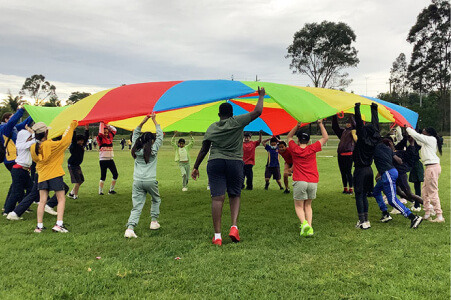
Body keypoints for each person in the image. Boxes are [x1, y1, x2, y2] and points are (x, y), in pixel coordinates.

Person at [191, 87, 265, 246]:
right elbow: (258, 111)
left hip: (215, 162)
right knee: (234, 194)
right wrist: (261, 96)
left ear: (219, 115)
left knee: (217, 198)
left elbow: (204, 149)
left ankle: (217, 236)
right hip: (235, 162)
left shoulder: (212, 127)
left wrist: (196, 166)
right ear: (232, 113)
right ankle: (234, 227)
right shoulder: (238, 121)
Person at [31, 120, 78, 233]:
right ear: (46, 132)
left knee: (42, 201)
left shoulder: (33, 147)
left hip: (42, 176)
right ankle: (59, 224)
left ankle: (39, 226)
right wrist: (71, 126)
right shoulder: (51, 145)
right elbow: (65, 142)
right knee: (61, 199)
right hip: (55, 175)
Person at [287, 119, 328, 237]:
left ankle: (303, 223)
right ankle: (309, 228)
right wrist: (320, 124)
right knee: (308, 206)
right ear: (309, 140)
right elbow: (325, 138)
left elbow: (289, 137)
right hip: (313, 181)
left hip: (300, 180)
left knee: (299, 206)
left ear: (298, 139)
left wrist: (297, 126)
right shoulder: (312, 148)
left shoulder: (294, 148)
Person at [125, 113, 163, 238]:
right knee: (156, 199)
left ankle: (130, 228)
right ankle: (154, 221)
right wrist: (154, 120)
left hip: (137, 181)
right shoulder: (153, 149)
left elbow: (135, 133)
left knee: (137, 205)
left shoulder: (136, 149)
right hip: (150, 181)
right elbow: (160, 136)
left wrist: (143, 121)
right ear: (152, 140)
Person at [373, 138, 423, 229]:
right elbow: (399, 161)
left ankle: (413, 217)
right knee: (376, 191)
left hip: (388, 173)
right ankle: (385, 213)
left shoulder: (378, 147)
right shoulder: (388, 150)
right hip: (390, 172)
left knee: (392, 199)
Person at [406, 126, 444, 222]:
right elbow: (418, 140)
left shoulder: (431, 139)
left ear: (428, 133)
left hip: (432, 168)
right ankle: (427, 212)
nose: (422, 133)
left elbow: (417, 136)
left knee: (432, 192)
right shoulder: (427, 141)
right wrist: (412, 137)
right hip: (429, 167)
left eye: (424, 132)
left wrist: (408, 128)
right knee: (425, 192)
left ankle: (439, 215)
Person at [352, 103, 380, 229]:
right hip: (369, 170)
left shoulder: (362, 140)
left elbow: (359, 123)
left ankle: (362, 221)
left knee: (359, 195)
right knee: (364, 195)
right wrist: (374, 109)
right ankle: (366, 220)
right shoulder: (375, 140)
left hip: (360, 170)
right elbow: (376, 126)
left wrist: (356, 108)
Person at [1, 108, 33, 213]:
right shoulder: (5, 128)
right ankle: (13, 207)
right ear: (6, 120)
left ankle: (11, 206)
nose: (14, 119)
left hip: (16, 159)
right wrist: (21, 110)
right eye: (11, 117)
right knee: (19, 185)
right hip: (11, 160)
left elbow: (25, 123)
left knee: (17, 184)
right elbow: (13, 122)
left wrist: (33, 113)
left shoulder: (14, 128)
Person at [332, 115, 356, 194]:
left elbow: (356, 125)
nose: (347, 124)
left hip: (349, 154)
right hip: (340, 154)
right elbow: (335, 127)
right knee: (343, 172)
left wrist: (351, 116)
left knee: (348, 172)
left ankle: (351, 189)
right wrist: (334, 115)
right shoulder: (343, 132)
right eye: (347, 123)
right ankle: (345, 188)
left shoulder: (354, 132)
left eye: (349, 123)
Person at [67, 125, 89, 199]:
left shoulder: (82, 145)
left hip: (77, 165)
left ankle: (71, 193)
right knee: (77, 181)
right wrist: (74, 129)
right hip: (72, 165)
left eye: (82, 141)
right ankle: (75, 196)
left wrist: (86, 129)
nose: (82, 142)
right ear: (77, 141)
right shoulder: (74, 146)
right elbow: (73, 138)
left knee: (81, 180)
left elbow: (86, 138)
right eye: (80, 140)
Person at [97, 122, 118, 195]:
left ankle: (111, 190)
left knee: (115, 174)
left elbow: (114, 130)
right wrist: (102, 123)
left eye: (107, 132)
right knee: (103, 176)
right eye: (104, 132)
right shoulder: (100, 137)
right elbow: (100, 132)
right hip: (103, 160)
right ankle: (100, 191)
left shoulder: (110, 137)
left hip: (110, 160)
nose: (106, 133)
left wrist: (108, 125)